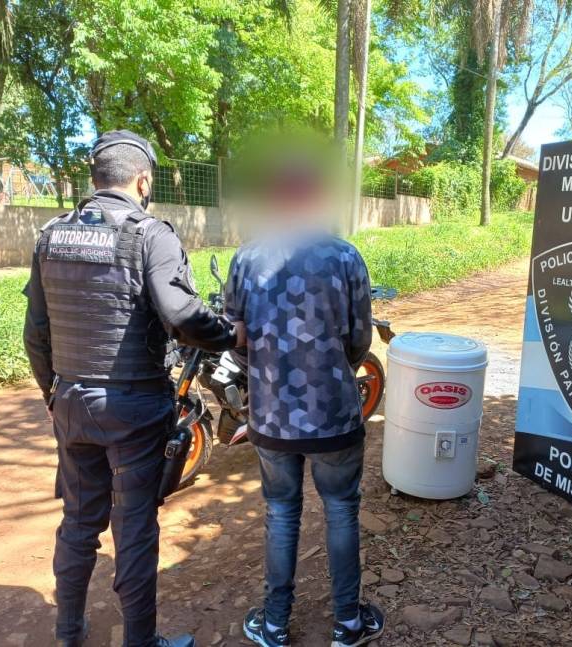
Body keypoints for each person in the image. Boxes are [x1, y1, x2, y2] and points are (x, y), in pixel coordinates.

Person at [23, 130, 244, 647]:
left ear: (96, 177)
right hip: (135, 406)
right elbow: (182, 317)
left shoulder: (51, 235)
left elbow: (36, 332)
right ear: (143, 181)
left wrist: (53, 394)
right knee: (135, 528)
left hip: (71, 401)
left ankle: (68, 632)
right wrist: (231, 334)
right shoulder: (150, 234)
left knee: (78, 522)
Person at [225, 139, 386, 647]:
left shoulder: (246, 258)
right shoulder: (345, 256)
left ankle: (274, 625)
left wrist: (264, 376)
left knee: (280, 511)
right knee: (341, 509)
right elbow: (360, 339)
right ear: (316, 195)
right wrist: (334, 368)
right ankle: (348, 624)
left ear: (275, 196)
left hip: (271, 416)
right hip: (334, 413)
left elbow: (236, 339)